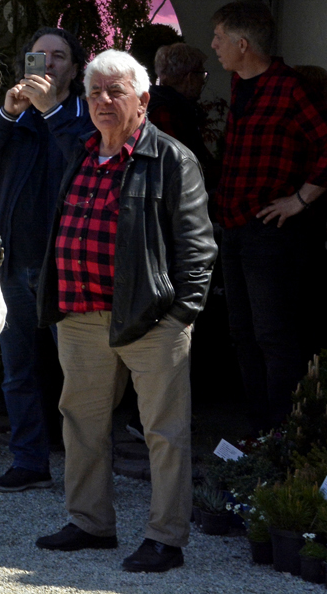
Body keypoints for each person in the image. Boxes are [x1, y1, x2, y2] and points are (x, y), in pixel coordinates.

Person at [33, 50, 215, 574]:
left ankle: (166, 537)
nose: (104, 102)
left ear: (144, 99)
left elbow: (198, 248)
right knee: (81, 424)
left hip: (151, 319)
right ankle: (90, 522)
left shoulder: (171, 158)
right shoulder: (84, 152)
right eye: (95, 93)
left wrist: (181, 314)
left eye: (116, 92)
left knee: (164, 432)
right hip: (80, 315)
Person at [0, 27, 94, 492]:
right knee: (18, 371)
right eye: (38, 55)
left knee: (81, 374)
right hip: (14, 261)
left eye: (58, 55)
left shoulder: (85, 114)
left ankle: (85, 469)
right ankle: (29, 460)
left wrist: (51, 112)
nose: (47, 63)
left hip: (68, 266)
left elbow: (85, 162)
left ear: (74, 67)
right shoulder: (13, 115)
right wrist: (8, 113)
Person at [209, 0, 327, 429]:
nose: (214, 46)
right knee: (242, 334)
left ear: (243, 44)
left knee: (274, 336)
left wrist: (301, 199)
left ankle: (283, 432)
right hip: (235, 227)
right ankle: (258, 427)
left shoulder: (292, 88)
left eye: (220, 37)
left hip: (273, 233)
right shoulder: (241, 84)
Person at [147, 43, 217, 190]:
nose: (203, 81)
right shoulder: (166, 111)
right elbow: (182, 165)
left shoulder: (156, 103)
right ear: (190, 77)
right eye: (202, 74)